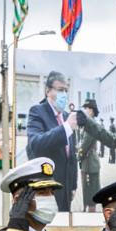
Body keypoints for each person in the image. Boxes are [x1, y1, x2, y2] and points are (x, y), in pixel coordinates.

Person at [24, 71, 78, 211]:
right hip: (46, 189)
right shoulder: (37, 111)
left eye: (66, 90)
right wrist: (66, 128)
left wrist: (73, 186)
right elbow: (36, 144)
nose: (64, 95)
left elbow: (72, 156)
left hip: (65, 190)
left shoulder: (66, 116)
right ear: (48, 91)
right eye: (60, 90)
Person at [76, 99, 116, 212]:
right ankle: (87, 210)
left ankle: (91, 214)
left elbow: (85, 145)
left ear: (92, 110)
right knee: (87, 189)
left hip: (90, 162)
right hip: (87, 161)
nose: (85, 110)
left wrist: (78, 156)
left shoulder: (91, 126)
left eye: (87, 108)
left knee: (91, 191)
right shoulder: (88, 124)